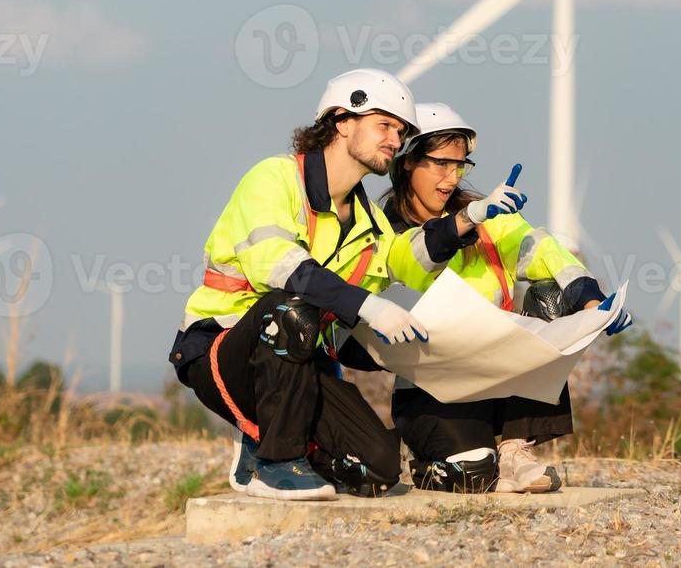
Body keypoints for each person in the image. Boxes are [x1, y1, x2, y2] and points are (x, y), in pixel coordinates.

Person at [166, 70, 515, 500]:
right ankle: (273, 461)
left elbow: (408, 258)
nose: (395, 139)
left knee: (378, 470)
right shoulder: (273, 178)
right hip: (224, 347)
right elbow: (279, 265)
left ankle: (274, 438)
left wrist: (466, 220)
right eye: (384, 125)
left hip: (299, 365)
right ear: (341, 121)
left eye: (401, 131)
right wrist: (367, 305)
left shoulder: (369, 221)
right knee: (292, 306)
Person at [381, 102, 633, 494]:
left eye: (460, 165)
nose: (452, 178)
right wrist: (467, 220)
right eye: (441, 164)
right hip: (432, 388)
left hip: (494, 378)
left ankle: (517, 446)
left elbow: (545, 250)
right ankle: (435, 461)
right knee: (474, 477)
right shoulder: (384, 228)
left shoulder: (490, 219)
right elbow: (414, 260)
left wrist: (591, 301)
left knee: (549, 294)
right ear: (407, 162)